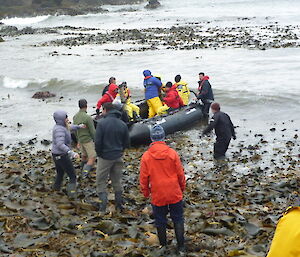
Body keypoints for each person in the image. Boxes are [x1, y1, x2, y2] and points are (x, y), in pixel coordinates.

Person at [140, 125, 186, 253]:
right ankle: (181, 247)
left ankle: (164, 246)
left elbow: (144, 178)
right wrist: (181, 188)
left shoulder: (146, 156)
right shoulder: (172, 153)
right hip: (174, 191)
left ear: (152, 139)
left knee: (160, 220)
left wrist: (145, 193)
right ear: (163, 137)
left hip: (158, 193)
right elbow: (180, 174)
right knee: (178, 218)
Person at [95, 102, 130, 213]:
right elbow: (127, 143)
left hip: (105, 157)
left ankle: (103, 207)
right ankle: (119, 206)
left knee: (101, 181)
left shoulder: (101, 124)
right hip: (118, 156)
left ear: (105, 110)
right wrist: (120, 151)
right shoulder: (122, 124)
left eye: (102, 110)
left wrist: (100, 154)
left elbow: (97, 142)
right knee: (117, 181)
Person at [51, 110, 84, 198]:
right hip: (61, 156)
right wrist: (71, 153)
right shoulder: (59, 130)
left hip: (56, 155)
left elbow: (70, 127)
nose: (67, 119)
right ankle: (72, 195)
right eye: (66, 118)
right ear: (61, 119)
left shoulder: (62, 126)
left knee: (60, 173)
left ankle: (55, 190)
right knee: (72, 175)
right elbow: (60, 144)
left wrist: (79, 127)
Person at [73, 99, 96, 178]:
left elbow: (75, 130)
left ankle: (82, 169)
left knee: (84, 155)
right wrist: (96, 140)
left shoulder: (75, 117)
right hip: (87, 140)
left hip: (80, 139)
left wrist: (78, 140)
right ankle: (84, 174)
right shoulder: (88, 118)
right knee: (92, 157)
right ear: (86, 105)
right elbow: (92, 131)